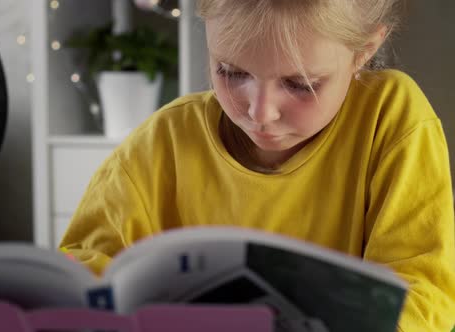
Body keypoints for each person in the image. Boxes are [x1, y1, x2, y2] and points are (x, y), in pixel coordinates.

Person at [61, 0, 455, 330]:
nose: (260, 113)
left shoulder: (391, 118)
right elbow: (81, 276)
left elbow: (423, 298)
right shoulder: (159, 144)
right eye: (231, 73)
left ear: (364, 51)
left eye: (301, 84)